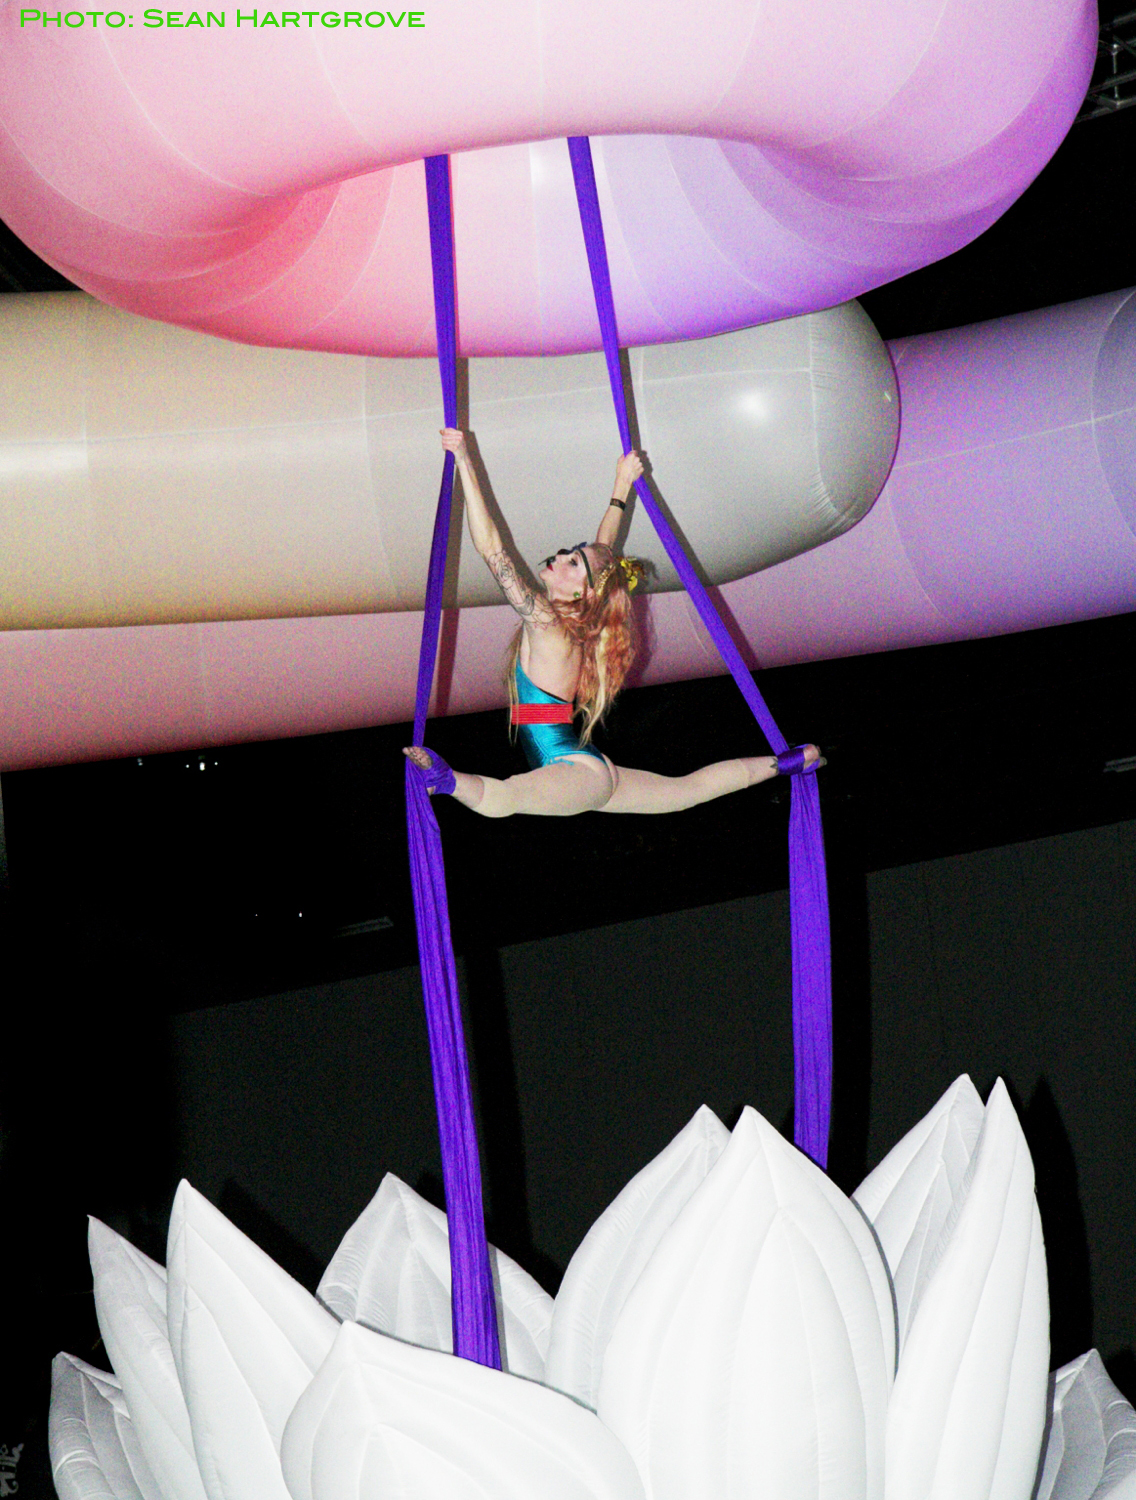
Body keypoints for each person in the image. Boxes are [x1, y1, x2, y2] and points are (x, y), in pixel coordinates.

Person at [404, 429, 822, 817]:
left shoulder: (548, 624)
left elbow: (493, 551)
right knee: (684, 792)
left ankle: (448, 781)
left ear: (581, 594)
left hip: (574, 768)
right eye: (569, 554)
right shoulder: (569, 625)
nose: (560, 556)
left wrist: (465, 460)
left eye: (572, 563)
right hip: (583, 766)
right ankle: (787, 763)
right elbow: (603, 549)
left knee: (508, 797)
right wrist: (621, 486)